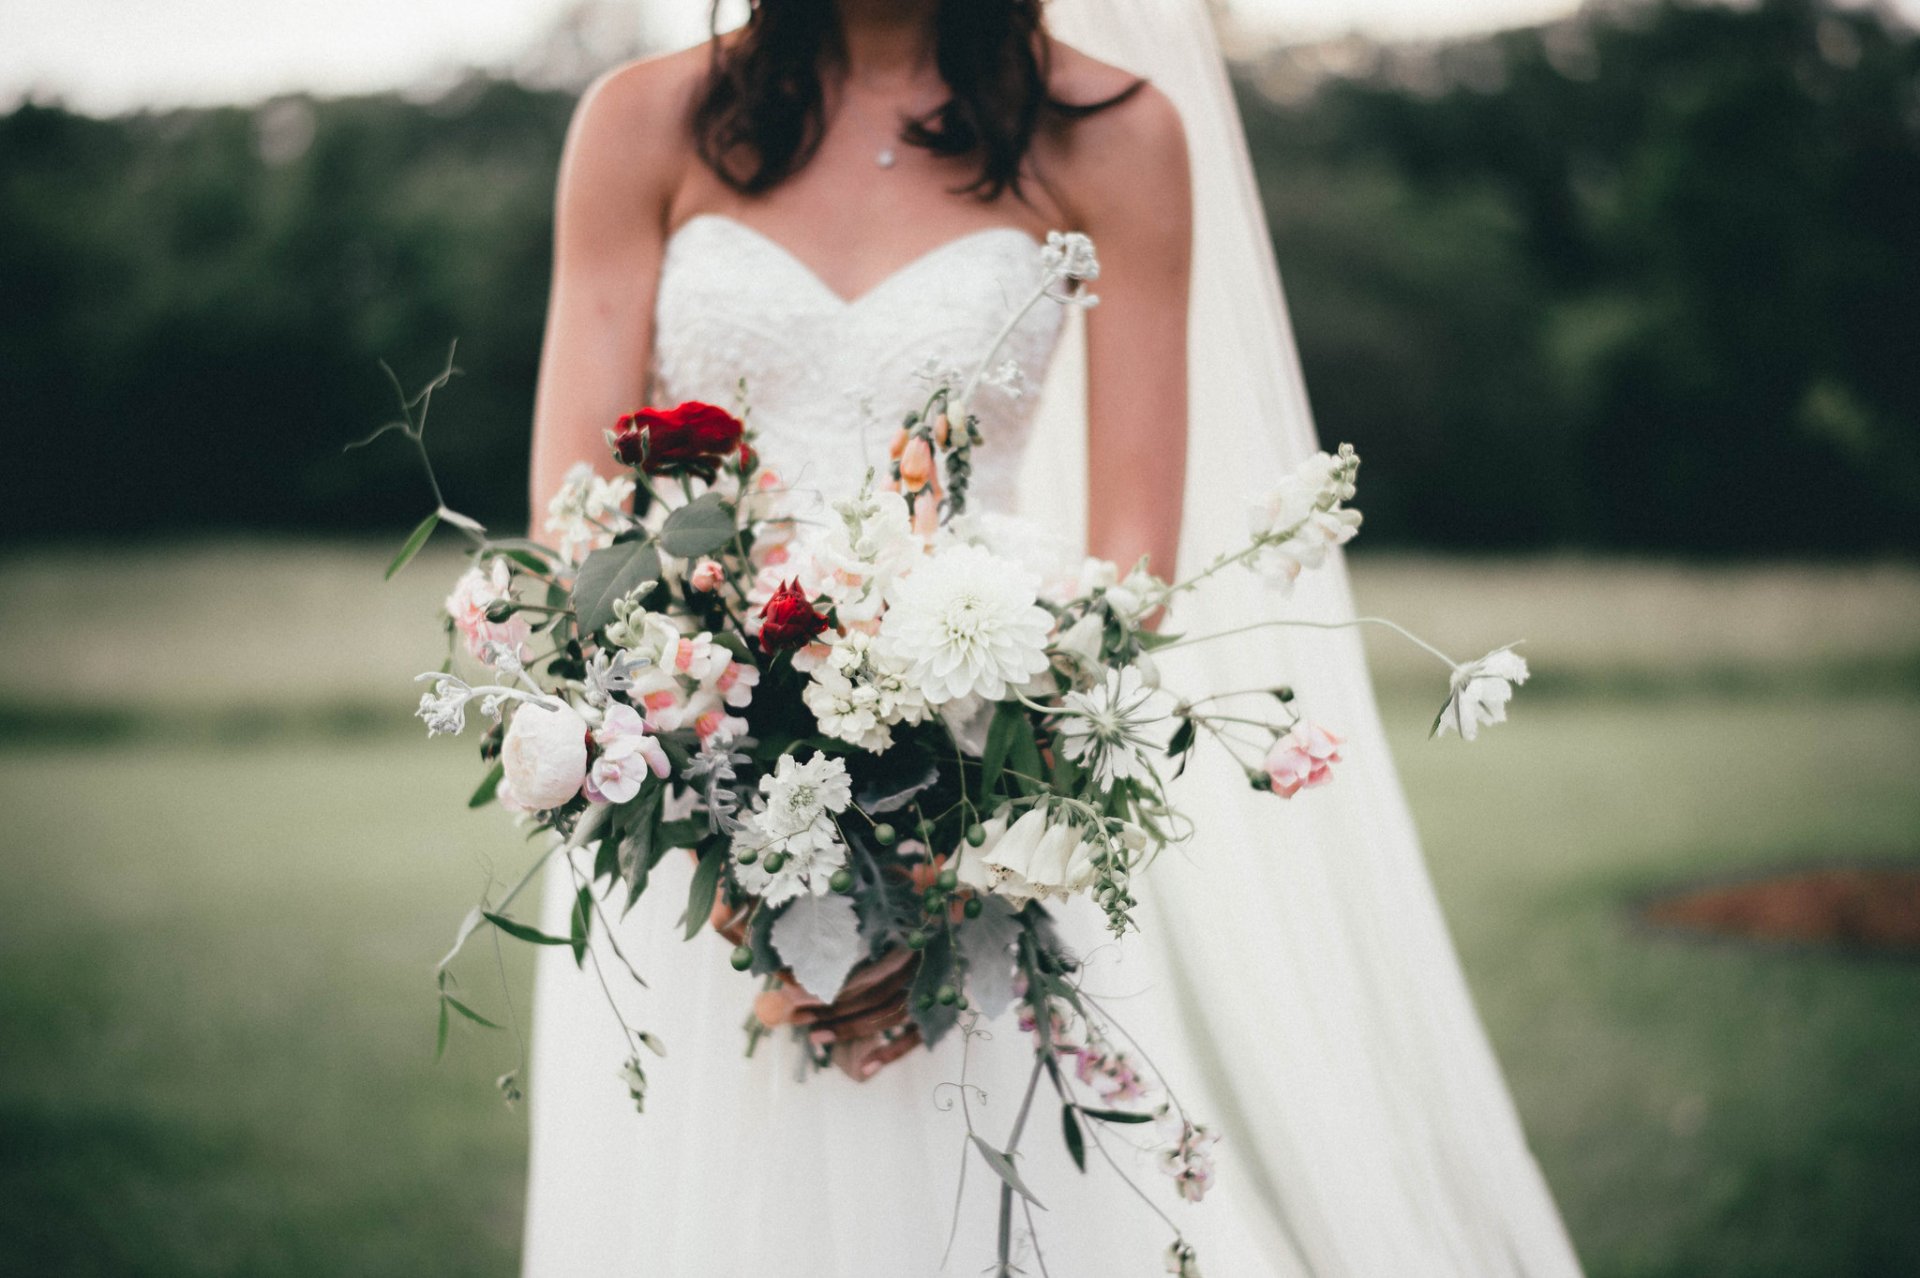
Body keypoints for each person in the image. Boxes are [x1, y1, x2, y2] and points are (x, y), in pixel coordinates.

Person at [520, 1, 1585, 1273]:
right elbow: (573, 530)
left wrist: (952, 861)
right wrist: (717, 822)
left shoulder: (1114, 133)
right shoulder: (643, 123)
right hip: (687, 828)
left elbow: (1133, 575)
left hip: (983, 801)